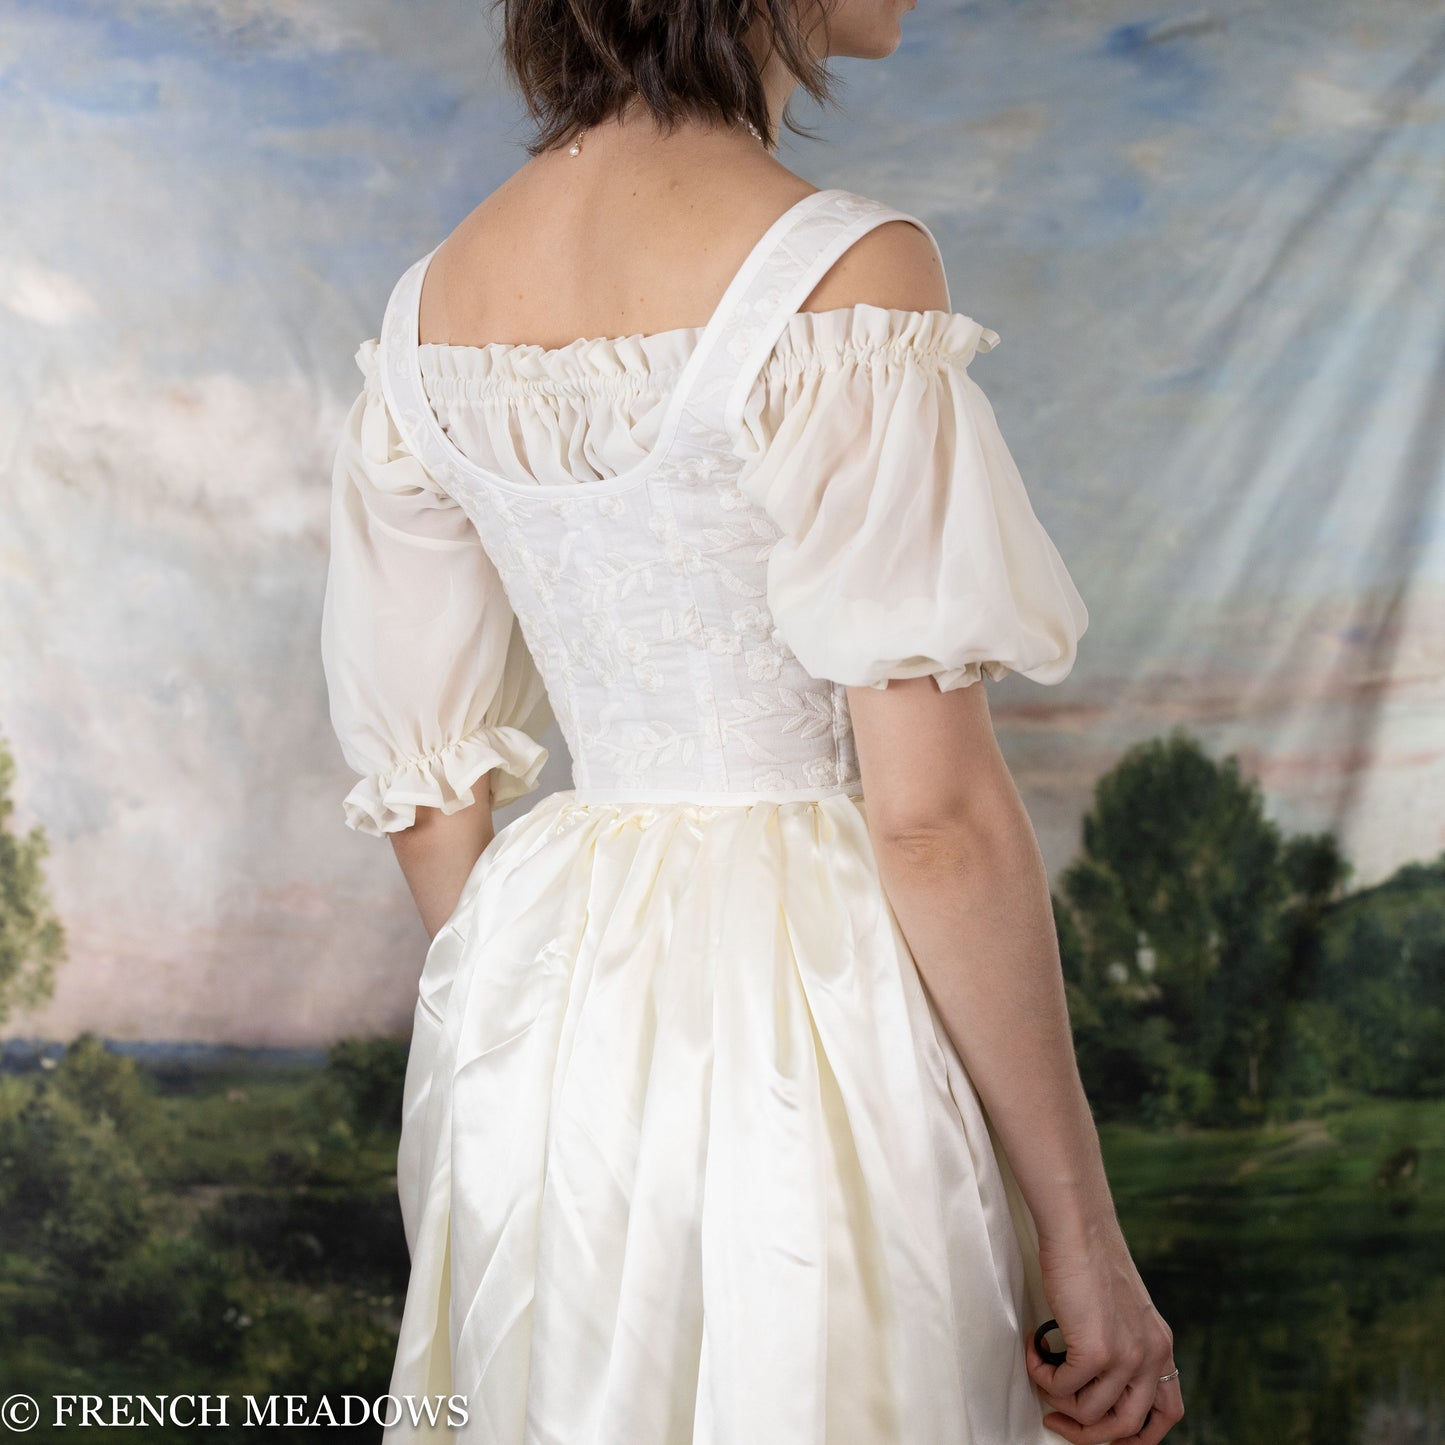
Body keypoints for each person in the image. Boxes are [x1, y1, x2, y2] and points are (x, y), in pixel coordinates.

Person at [320, 0, 1183, 1441]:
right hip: (815, 999)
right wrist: (1082, 1236)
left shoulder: (431, 304)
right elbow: (931, 817)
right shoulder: (846, 272)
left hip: (541, 1007)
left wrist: (549, 1026)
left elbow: (422, 784)